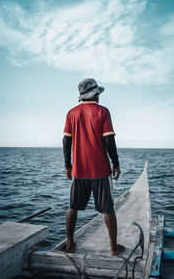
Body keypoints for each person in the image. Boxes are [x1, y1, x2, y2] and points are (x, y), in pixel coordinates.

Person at [63, 78, 125, 256]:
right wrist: (116, 163)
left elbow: (66, 142)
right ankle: (114, 247)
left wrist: (68, 165)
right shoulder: (103, 112)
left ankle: (69, 243)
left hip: (79, 171)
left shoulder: (71, 113)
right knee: (108, 209)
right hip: (100, 170)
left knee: (72, 207)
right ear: (95, 94)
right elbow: (109, 140)